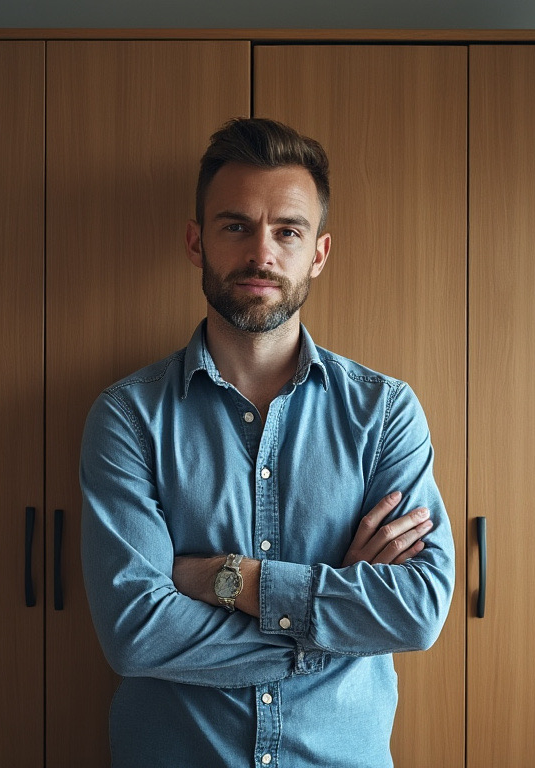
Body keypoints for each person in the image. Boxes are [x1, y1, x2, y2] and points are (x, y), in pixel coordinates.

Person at [80, 117, 455, 767]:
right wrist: (337, 614)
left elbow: (417, 609)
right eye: (236, 226)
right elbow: (136, 634)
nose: (262, 253)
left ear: (319, 251)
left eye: (288, 230)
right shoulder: (128, 418)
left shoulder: (384, 413)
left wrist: (226, 579)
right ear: (197, 242)